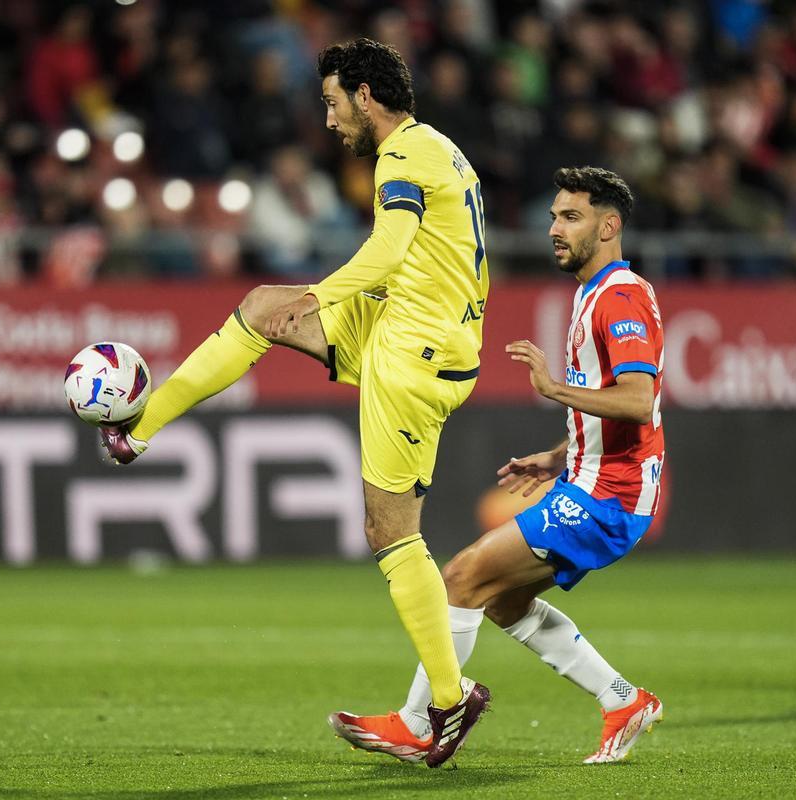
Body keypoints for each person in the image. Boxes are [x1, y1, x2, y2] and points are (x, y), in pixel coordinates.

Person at [100, 38, 492, 767]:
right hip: (404, 326)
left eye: (333, 101)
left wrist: (318, 296)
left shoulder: (401, 159)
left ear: (365, 97)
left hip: (412, 353)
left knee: (391, 531)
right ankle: (139, 429)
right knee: (257, 307)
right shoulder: (440, 147)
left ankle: (447, 700)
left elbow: (388, 248)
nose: (330, 115)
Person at [328, 167, 665, 764]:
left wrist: (554, 390)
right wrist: (563, 453)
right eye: (554, 216)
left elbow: (640, 399)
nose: (554, 229)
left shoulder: (618, 296)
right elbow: (632, 403)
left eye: (571, 217)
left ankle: (420, 722)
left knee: (458, 577)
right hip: (598, 480)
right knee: (503, 600)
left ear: (609, 226)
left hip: (609, 496)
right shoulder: (599, 291)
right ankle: (622, 699)